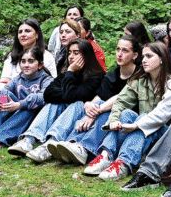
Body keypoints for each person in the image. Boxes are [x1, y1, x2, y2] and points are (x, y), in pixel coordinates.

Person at [36, 35, 142, 165]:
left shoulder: (139, 75)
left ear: (135, 55)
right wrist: (89, 105)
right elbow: (49, 94)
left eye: (125, 50)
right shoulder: (112, 75)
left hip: (127, 118)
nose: (119, 54)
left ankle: (82, 147)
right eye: (118, 49)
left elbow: (121, 98)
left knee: (94, 105)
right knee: (79, 104)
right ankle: (55, 142)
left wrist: (94, 110)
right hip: (105, 113)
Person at [89, 42, 171, 181]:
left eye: (149, 56)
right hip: (145, 133)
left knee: (144, 118)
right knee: (126, 114)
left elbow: (161, 115)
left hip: (169, 137)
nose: (144, 60)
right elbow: (121, 101)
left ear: (162, 59)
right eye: (143, 56)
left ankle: (123, 164)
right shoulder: (140, 79)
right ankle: (106, 156)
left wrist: (136, 125)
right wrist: (114, 120)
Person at [7, 38, 105, 157]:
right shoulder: (18, 78)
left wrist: (70, 73)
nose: (71, 57)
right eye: (69, 53)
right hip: (51, 111)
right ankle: (27, 139)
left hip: (78, 118)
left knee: (76, 103)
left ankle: (49, 144)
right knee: (53, 103)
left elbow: (70, 97)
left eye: (76, 53)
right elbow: (48, 94)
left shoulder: (96, 77)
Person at [0, 46, 54, 150]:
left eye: (31, 61)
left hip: (33, 117)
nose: (26, 65)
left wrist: (19, 105)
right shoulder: (18, 78)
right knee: (4, 93)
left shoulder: (46, 79)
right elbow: (0, 92)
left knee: (29, 106)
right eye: (23, 61)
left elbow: (43, 96)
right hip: (16, 113)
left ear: (40, 65)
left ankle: (2, 138)